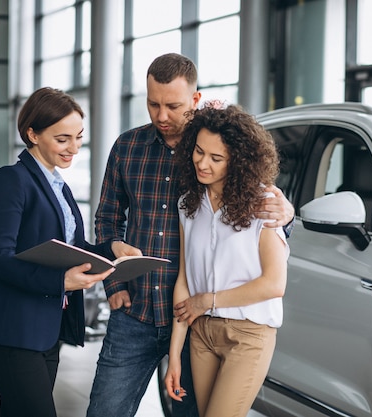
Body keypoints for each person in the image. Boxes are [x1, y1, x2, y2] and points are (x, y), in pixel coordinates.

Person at [87, 53, 294, 417]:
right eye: (153, 104)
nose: (161, 115)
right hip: (136, 312)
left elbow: (258, 211)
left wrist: (288, 214)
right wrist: (114, 284)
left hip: (194, 322)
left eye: (173, 105)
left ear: (195, 100)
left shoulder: (220, 148)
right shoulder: (128, 149)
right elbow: (106, 218)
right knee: (105, 410)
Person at [0, 87, 122, 417]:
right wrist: (60, 281)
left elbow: (73, 249)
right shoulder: (11, 180)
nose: (74, 148)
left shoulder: (59, 186)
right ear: (32, 134)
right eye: (63, 139)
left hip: (46, 333)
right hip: (13, 333)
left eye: (79, 137)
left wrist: (112, 249)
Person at [164, 103, 289, 417]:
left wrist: (208, 300)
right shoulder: (188, 204)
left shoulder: (264, 204)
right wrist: (174, 354)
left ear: (238, 162)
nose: (202, 163)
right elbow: (184, 279)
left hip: (247, 336)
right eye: (198, 151)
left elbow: (274, 284)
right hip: (201, 335)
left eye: (216, 158)